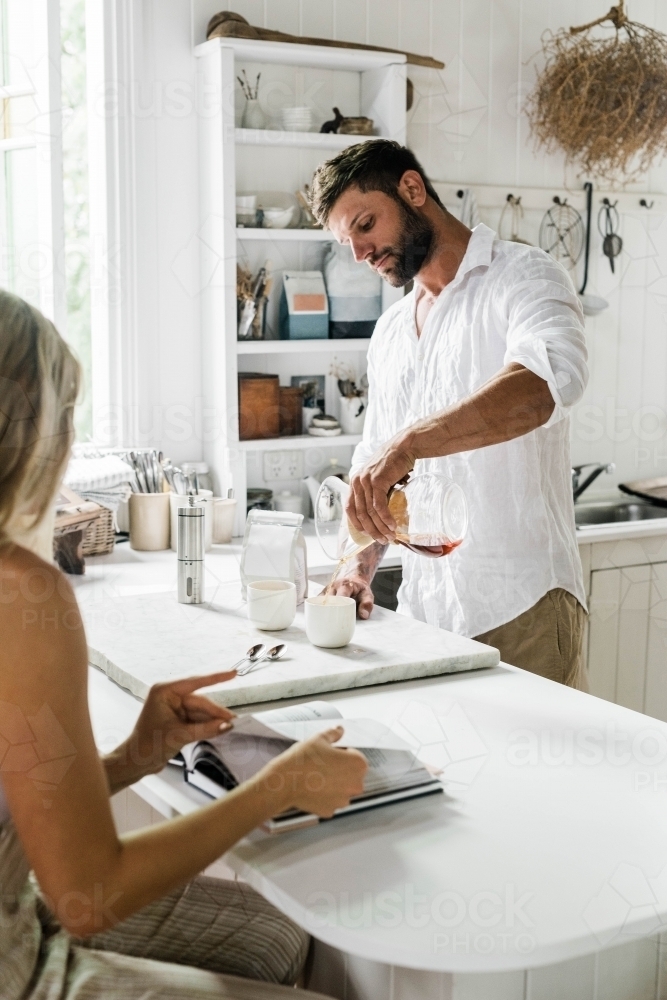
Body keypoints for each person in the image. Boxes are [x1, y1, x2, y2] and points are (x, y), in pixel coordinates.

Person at [0, 290, 367, 997]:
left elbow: (22, 802)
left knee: (271, 936)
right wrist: (280, 786)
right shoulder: (23, 595)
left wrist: (135, 758)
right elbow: (87, 895)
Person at [310, 140, 589, 688]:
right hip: (428, 617)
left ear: (412, 190)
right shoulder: (391, 330)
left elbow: (549, 383)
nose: (361, 254)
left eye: (367, 224)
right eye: (349, 242)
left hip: (525, 608)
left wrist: (411, 443)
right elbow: (373, 470)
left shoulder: (525, 276)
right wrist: (357, 570)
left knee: (539, 775)